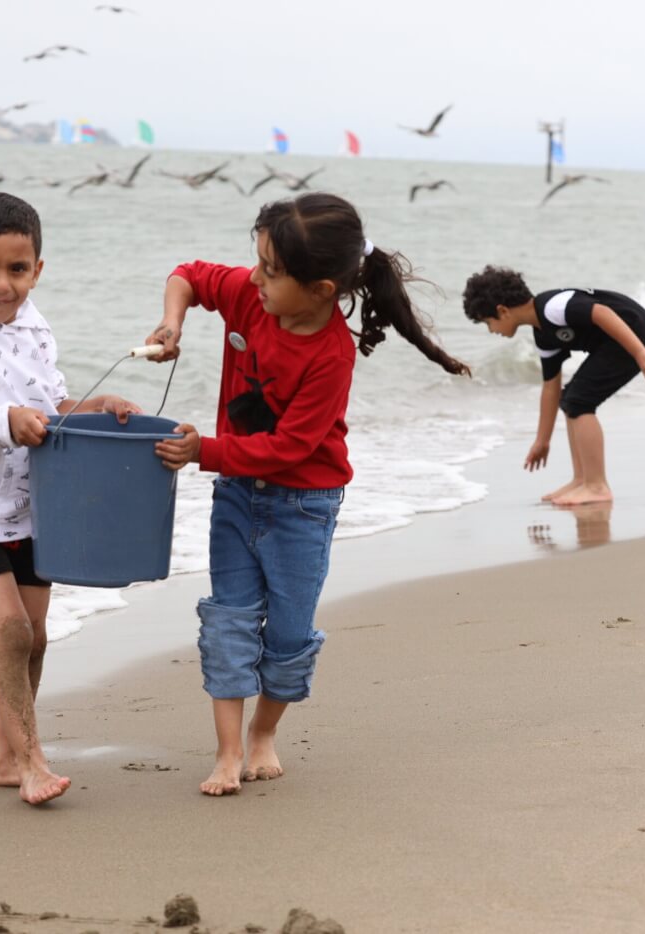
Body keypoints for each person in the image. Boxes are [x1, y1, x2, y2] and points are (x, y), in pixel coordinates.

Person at [144, 192, 471, 796]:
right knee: (229, 621)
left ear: (322, 288)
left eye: (272, 270)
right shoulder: (248, 294)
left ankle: (264, 736)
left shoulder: (332, 354)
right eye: (258, 262)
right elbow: (187, 275)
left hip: (304, 507)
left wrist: (204, 451)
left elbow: (292, 447)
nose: (257, 279)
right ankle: (227, 751)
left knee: (289, 634)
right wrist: (174, 321)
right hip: (238, 495)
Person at [0, 191, 140, 806]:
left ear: (37, 269)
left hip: (36, 504)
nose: (1, 284)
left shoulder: (35, 325)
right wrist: (3, 422)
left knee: (36, 636)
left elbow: (52, 404)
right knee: (11, 631)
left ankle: (1, 757)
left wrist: (94, 407)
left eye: (17, 269)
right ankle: (32, 760)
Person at [461, 265, 645, 506]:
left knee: (580, 402)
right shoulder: (543, 333)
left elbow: (602, 313)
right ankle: (582, 480)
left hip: (635, 335)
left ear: (502, 311)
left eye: (488, 323)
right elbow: (550, 386)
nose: (491, 331)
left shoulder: (553, 307)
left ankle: (596, 486)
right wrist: (542, 440)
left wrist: (639, 352)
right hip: (619, 342)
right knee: (570, 398)